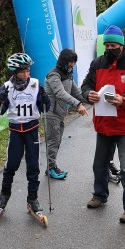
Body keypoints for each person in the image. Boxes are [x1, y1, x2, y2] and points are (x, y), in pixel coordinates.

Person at [81, 25, 125, 224]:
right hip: (104, 124)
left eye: (113, 45)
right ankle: (99, 195)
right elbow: (85, 85)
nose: (110, 49)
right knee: (99, 165)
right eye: (107, 45)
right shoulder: (97, 63)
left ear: (121, 45)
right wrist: (88, 94)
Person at [0, 52, 50, 213]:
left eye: (28, 71)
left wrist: (45, 99)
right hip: (15, 132)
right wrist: (1, 98)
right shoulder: (7, 87)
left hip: (32, 130)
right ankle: (4, 195)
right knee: (11, 165)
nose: (26, 74)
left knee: (33, 166)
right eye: (23, 71)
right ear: (15, 72)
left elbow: (45, 107)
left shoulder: (35, 84)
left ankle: (32, 198)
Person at [44, 48, 88, 179]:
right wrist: (78, 104)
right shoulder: (54, 74)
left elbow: (77, 93)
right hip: (51, 113)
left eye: (74, 62)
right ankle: (51, 168)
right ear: (63, 60)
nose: (72, 64)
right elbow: (60, 93)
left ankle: (51, 166)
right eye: (70, 61)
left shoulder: (68, 74)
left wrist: (92, 98)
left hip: (60, 113)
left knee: (57, 141)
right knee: (53, 141)